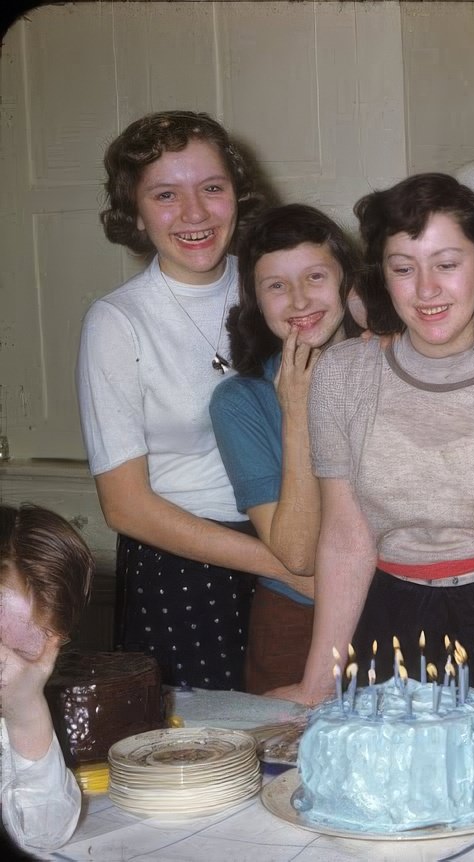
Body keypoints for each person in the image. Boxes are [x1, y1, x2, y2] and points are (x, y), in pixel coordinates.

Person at [273, 174, 474, 719]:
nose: (426, 289)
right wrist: (317, 683)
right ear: (382, 278)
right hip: (386, 617)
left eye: (447, 264)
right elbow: (344, 536)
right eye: (404, 268)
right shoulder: (341, 375)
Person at [77, 110, 301, 691]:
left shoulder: (274, 285)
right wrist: (284, 567)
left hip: (292, 534)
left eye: (211, 188)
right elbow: (124, 507)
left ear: (237, 192)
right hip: (182, 572)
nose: (195, 213)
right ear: (135, 209)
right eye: (166, 195)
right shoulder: (117, 322)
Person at [209, 204, 363, 694]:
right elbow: (296, 553)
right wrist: (297, 414)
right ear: (256, 300)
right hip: (298, 620)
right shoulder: (241, 401)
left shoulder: (392, 366)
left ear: (347, 282)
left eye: (315, 276)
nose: (299, 299)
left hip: (403, 608)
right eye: (276, 285)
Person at [0, 504, 94, 853]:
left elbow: (42, 836)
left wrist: (27, 719)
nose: (5, 668)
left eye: (23, 657)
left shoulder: (16, 699)